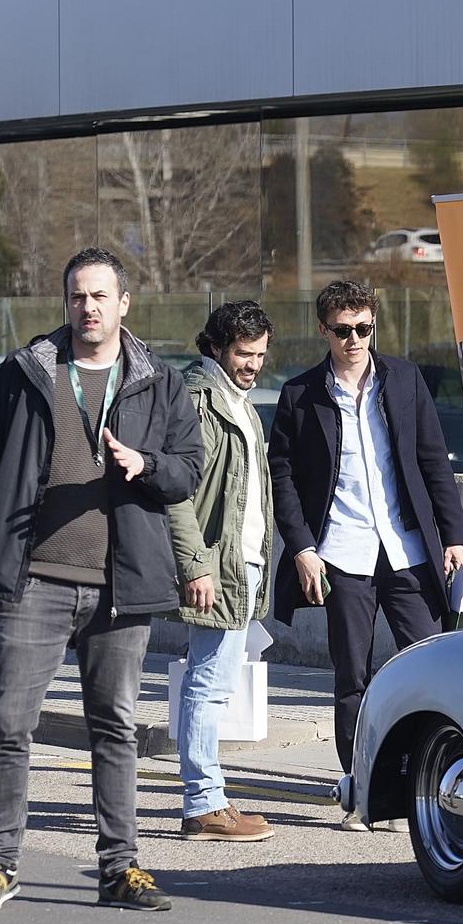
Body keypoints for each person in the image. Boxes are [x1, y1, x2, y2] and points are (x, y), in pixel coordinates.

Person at [0, 247, 201, 912]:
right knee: (10, 723)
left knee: (115, 728)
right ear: (65, 303)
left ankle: (119, 868)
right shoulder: (27, 372)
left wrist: (145, 463)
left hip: (119, 585)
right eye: (77, 296)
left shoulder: (160, 382)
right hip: (33, 580)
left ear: (125, 303)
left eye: (100, 296)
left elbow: (188, 469)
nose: (88, 307)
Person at [269, 280, 463, 826]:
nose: (355, 339)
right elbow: (281, 479)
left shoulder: (403, 380)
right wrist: (303, 549)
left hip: (405, 548)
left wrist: (454, 536)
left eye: (364, 328)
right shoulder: (300, 395)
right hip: (342, 553)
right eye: (343, 331)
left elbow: (434, 461)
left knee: (432, 663)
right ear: (323, 331)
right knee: (352, 676)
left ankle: (431, 780)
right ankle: (359, 791)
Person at [167, 300, 277, 843]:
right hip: (216, 566)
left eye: (259, 354)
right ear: (214, 347)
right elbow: (176, 492)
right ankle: (202, 803)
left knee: (214, 684)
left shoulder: (239, 402)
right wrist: (196, 565)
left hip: (242, 562)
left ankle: (209, 797)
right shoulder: (198, 399)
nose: (253, 364)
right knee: (207, 685)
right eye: (242, 352)